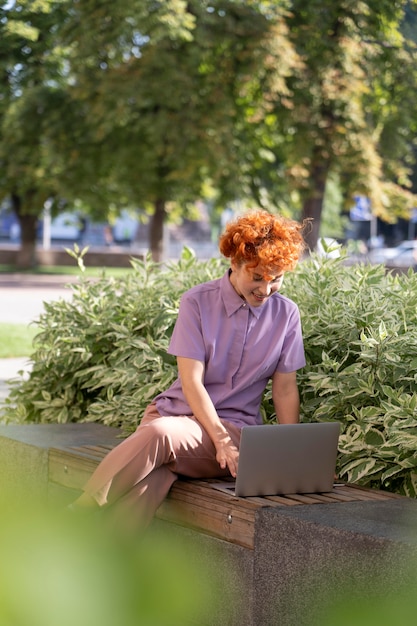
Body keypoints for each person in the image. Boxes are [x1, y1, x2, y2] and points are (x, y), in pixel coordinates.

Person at [71, 210, 307, 529]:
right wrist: (218, 440)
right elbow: (191, 381)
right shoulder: (197, 302)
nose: (266, 290)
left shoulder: (286, 315)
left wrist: (294, 455)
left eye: (276, 278)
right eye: (257, 277)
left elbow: (285, 389)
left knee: (160, 436)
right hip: (175, 417)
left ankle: (74, 515)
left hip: (234, 432)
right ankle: (107, 560)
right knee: (155, 472)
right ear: (235, 264)